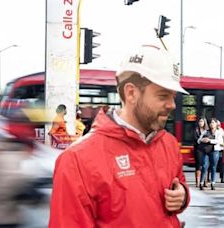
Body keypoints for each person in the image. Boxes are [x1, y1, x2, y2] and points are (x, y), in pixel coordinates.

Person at [49, 45, 190, 227]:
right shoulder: (76, 161)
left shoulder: (169, 144)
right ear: (131, 93)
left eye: (173, 96)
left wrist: (183, 196)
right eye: (163, 96)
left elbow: (179, 185)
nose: (172, 105)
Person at [198, 118, 223, 190]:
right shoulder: (205, 131)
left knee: (213, 167)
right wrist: (202, 140)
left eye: (213, 123)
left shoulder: (219, 132)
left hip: (215, 151)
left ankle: (213, 183)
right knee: (204, 166)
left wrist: (209, 140)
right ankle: (201, 183)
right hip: (205, 151)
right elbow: (198, 140)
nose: (211, 124)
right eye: (211, 123)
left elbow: (219, 141)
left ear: (216, 124)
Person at [194, 117, 208, 187]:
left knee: (205, 165)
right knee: (198, 165)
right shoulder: (196, 130)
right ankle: (198, 182)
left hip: (205, 149)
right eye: (199, 121)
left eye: (202, 121)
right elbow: (196, 139)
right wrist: (202, 140)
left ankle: (205, 181)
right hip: (198, 149)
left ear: (204, 122)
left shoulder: (207, 131)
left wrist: (202, 140)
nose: (200, 123)